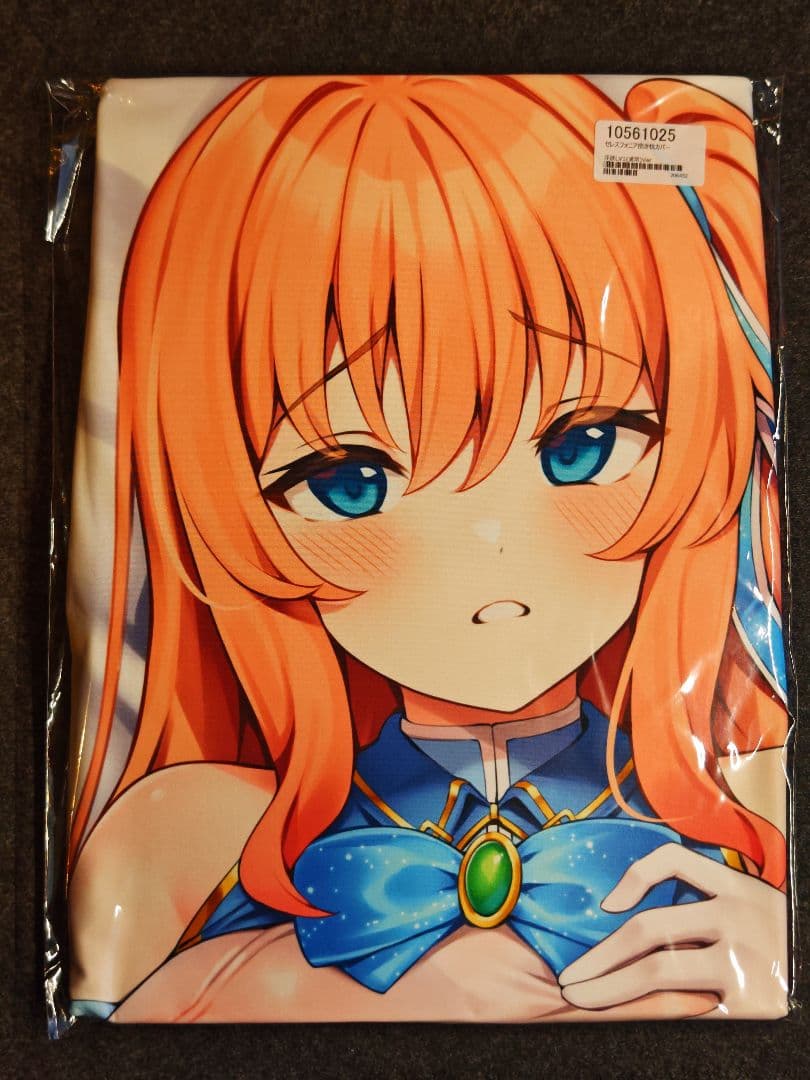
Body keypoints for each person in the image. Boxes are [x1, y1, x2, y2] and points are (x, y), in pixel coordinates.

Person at [68, 74, 789, 1022]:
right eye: (349, 482)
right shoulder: (188, 837)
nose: (490, 569)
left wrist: (773, 964)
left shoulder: (749, 798)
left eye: (583, 447)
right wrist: (275, 985)